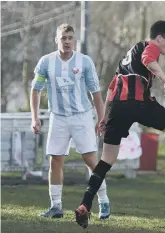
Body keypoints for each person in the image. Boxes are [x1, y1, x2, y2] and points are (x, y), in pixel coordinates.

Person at [74, 20, 165, 229]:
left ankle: (85, 204)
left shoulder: (126, 56)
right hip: (139, 102)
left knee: (106, 160)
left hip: (117, 107)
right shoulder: (150, 46)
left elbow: (112, 88)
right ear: (158, 38)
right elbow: (149, 59)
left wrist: (104, 117)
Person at [30, 23, 111, 220]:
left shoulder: (84, 62)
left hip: (81, 116)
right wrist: (35, 118)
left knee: (91, 161)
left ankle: (103, 202)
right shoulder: (46, 62)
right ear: (56, 40)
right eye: (63, 38)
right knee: (55, 160)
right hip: (58, 117)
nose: (67, 42)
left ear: (74, 40)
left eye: (70, 38)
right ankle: (56, 206)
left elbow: (96, 94)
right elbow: (35, 89)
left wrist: (101, 119)